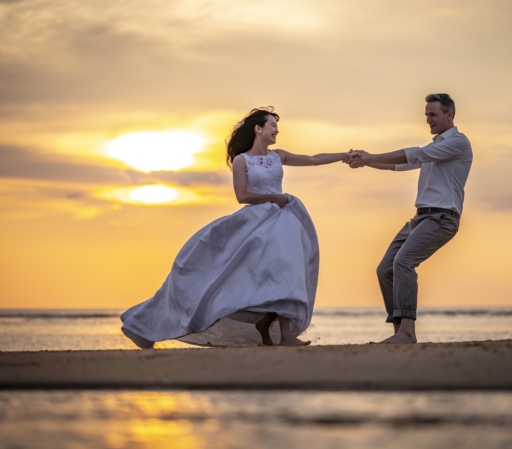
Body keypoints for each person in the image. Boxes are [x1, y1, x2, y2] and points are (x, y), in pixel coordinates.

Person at [121, 107, 351, 347]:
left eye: (277, 126)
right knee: (250, 276)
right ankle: (143, 326)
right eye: (272, 125)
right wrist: (272, 197)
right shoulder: (242, 160)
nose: (276, 130)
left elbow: (313, 159)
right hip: (255, 223)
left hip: (282, 221)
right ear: (258, 128)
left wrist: (344, 155)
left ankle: (283, 334)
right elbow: (242, 196)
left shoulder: (278, 156)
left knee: (286, 272)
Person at [347, 93, 473, 344]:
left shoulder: (458, 142)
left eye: (433, 114)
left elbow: (413, 154)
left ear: (450, 114)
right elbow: (401, 165)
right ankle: (399, 333)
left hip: (442, 218)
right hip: (419, 219)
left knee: (403, 263)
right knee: (385, 268)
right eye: (426, 114)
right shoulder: (435, 148)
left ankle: (407, 332)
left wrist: (371, 156)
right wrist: (366, 162)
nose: (428, 119)